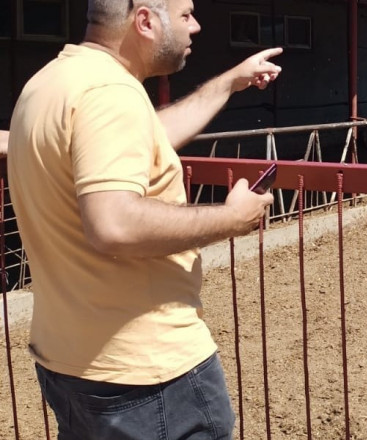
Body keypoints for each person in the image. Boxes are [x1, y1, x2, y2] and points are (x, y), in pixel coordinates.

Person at [7, 0, 282, 438]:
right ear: (146, 21)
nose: (196, 26)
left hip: (74, 361)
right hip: (147, 375)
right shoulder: (109, 94)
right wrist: (231, 218)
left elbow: (138, 137)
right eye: (186, 14)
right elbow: (113, 223)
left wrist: (230, 82)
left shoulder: (54, 82)